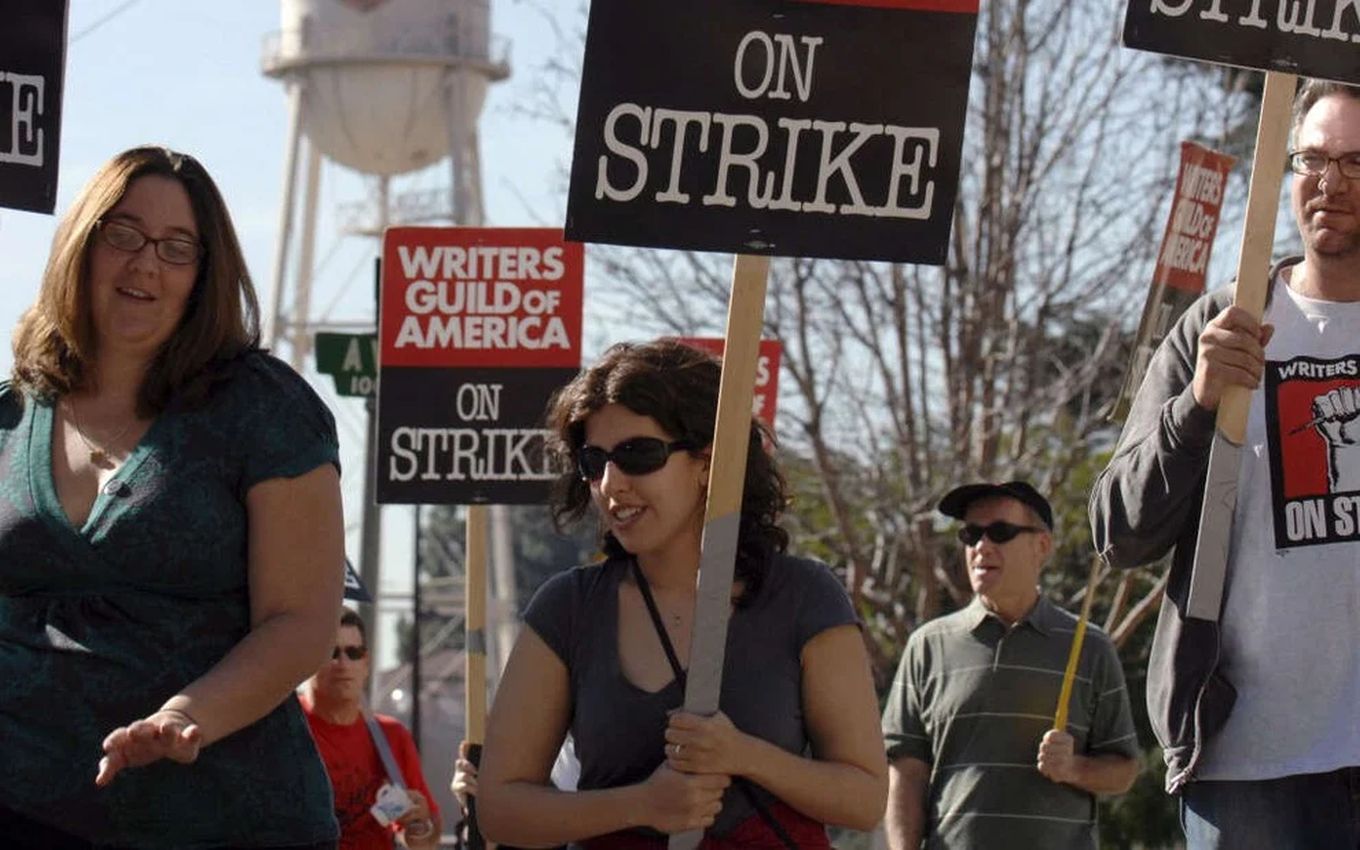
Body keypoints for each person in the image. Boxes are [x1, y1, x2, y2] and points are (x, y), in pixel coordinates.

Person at [0, 146, 345, 847]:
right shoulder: (11, 413)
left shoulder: (264, 409)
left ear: (204, 275)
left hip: (223, 819)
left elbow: (301, 621)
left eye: (176, 248)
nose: (145, 264)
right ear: (81, 244)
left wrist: (186, 717)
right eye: (121, 234)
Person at [476, 339, 888, 847]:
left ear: (708, 462)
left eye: (638, 455)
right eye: (593, 460)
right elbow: (499, 809)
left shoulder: (805, 597)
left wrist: (743, 755)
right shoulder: (568, 609)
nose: (610, 483)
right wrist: (642, 804)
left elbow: (866, 798)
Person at [1091, 79, 1360, 848]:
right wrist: (1198, 405)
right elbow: (1120, 531)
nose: (1331, 183)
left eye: (1356, 162)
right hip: (1249, 767)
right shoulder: (1222, 324)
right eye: (1312, 159)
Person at [883, 481, 1139, 850]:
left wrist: (1073, 768)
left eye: (1000, 532)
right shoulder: (927, 645)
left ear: (1042, 547)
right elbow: (906, 773)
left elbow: (1125, 770)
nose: (980, 547)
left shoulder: (1090, 645)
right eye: (970, 534)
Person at [302, 609, 441, 849]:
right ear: (307, 659)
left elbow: (426, 832)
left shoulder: (391, 736)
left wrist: (419, 829)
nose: (343, 663)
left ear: (365, 663)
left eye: (353, 653)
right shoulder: (282, 730)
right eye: (331, 652)